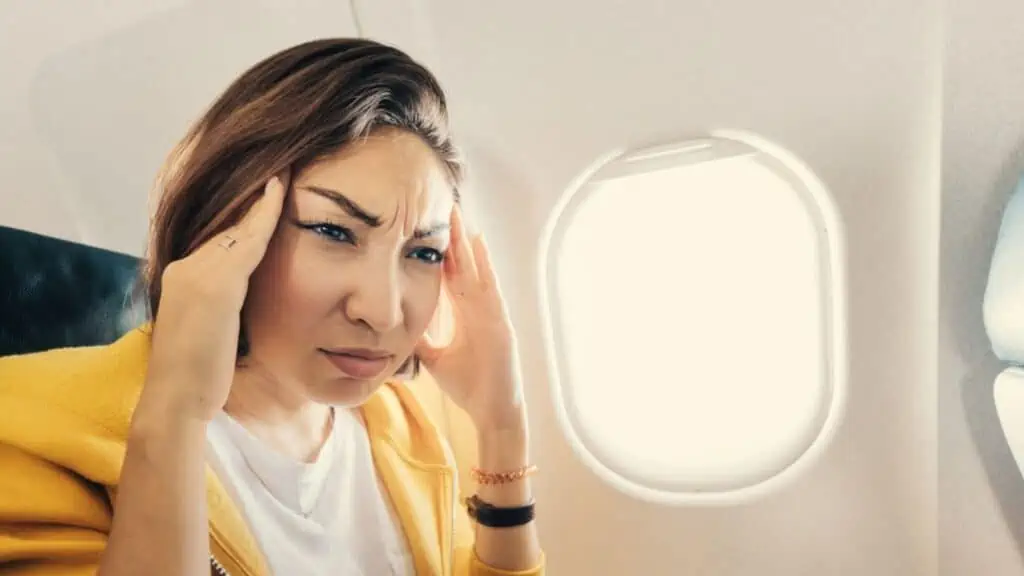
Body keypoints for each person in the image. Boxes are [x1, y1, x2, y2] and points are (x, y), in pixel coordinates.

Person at [0, 38, 545, 575]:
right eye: (334, 230)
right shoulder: (26, 424)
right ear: (226, 223)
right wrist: (174, 415)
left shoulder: (403, 422)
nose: (382, 313)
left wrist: (502, 428)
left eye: (423, 251)